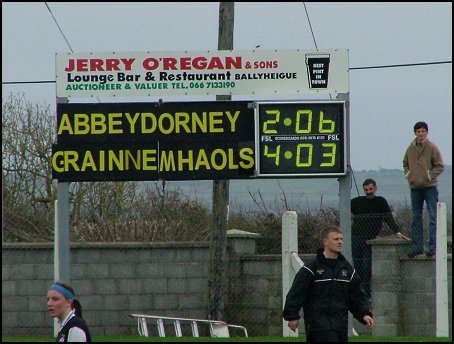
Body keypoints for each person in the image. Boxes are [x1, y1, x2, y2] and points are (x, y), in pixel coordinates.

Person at [282, 226, 373, 342]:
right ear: (325, 242)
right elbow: (297, 292)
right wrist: (292, 316)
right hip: (318, 326)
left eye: (341, 239)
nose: (340, 242)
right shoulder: (311, 268)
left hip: (340, 326)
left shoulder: (346, 269)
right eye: (336, 239)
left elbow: (356, 294)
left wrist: (364, 314)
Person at [351, 178, 409, 299]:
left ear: (375, 188)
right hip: (356, 237)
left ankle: (366, 293)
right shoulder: (356, 202)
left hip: (370, 239)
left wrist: (397, 232)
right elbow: (345, 210)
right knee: (357, 266)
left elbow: (388, 217)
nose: (368, 192)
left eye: (370, 189)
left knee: (366, 266)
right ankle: (359, 293)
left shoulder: (380, 201)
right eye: (366, 190)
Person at [403, 121, 444, 258]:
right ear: (415, 132)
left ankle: (433, 248)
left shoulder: (432, 147)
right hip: (415, 187)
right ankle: (416, 248)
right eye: (418, 131)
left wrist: (429, 176)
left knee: (433, 217)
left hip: (430, 188)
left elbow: (440, 166)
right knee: (416, 218)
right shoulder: (410, 148)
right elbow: (405, 163)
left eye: (423, 131)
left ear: (426, 132)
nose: (421, 133)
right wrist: (409, 175)